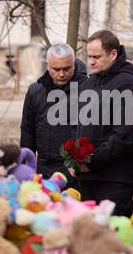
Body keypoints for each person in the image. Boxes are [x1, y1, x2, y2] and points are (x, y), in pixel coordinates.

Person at [74, 30, 133, 217]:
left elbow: (125, 135)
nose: (91, 62)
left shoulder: (127, 85)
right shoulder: (89, 84)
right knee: (89, 237)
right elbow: (81, 127)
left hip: (115, 180)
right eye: (89, 56)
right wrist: (74, 158)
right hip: (88, 177)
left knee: (112, 238)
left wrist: (92, 161)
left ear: (113, 54)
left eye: (97, 56)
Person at [20, 43, 87, 189]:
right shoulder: (35, 91)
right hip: (43, 168)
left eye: (66, 68)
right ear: (47, 65)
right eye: (56, 69)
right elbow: (27, 131)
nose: (61, 74)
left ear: (73, 64)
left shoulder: (86, 90)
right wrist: (26, 166)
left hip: (74, 171)